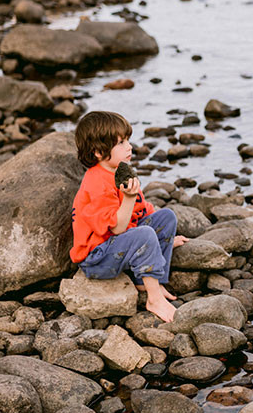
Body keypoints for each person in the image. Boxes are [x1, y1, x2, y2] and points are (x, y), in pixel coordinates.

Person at [69, 111, 187, 321]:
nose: (129, 147)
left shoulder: (119, 171)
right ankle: (154, 299)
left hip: (118, 245)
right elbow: (118, 228)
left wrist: (164, 240)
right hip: (97, 258)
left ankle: (150, 281)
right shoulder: (95, 182)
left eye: (128, 141)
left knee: (166, 217)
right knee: (144, 235)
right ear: (98, 151)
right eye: (121, 143)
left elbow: (143, 210)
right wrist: (128, 198)